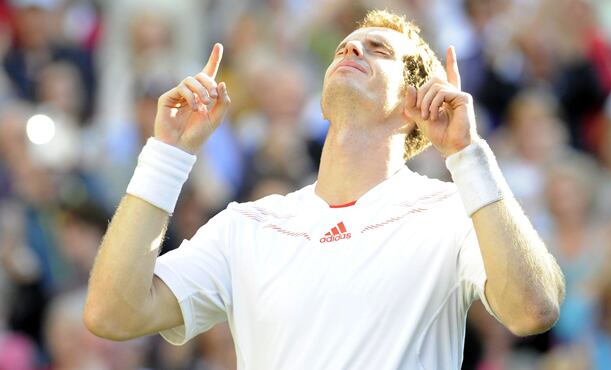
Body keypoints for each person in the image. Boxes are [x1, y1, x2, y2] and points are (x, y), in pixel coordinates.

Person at [84, 10, 564, 369]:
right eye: (345, 47)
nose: (352, 49)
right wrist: (167, 154)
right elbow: (113, 314)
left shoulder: (453, 213)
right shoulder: (245, 224)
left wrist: (467, 153)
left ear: (415, 104)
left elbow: (532, 308)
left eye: (378, 49)